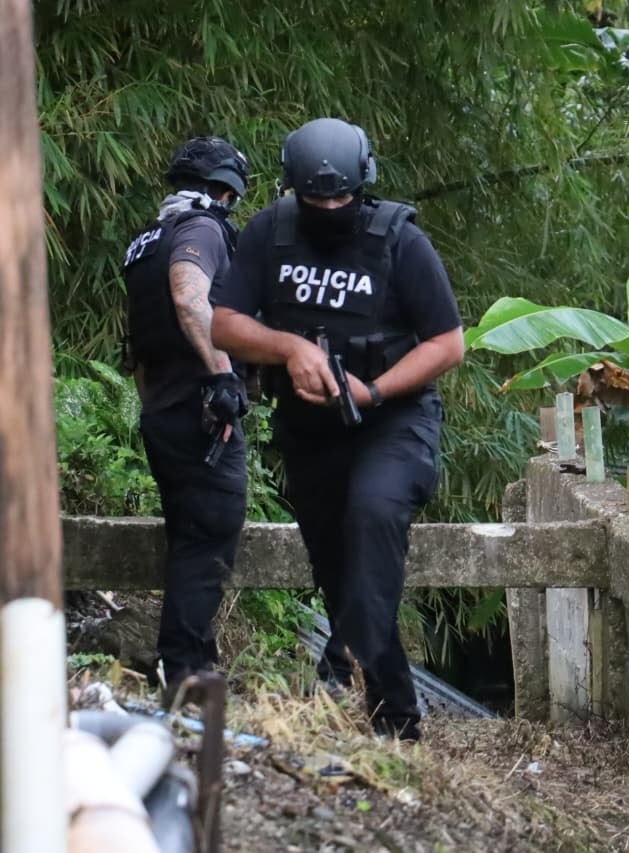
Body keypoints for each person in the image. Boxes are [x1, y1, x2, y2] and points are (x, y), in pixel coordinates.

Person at [210, 117, 464, 740]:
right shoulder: (270, 232)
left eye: (341, 197)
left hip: (394, 420)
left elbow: (448, 343)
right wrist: (291, 348)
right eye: (314, 199)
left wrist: (373, 390)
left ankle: (373, 689)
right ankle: (394, 721)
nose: (329, 208)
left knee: (373, 514)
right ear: (291, 188)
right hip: (310, 431)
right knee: (335, 569)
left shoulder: (400, 241)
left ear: (363, 182)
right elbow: (223, 323)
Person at [121, 136, 253, 702]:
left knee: (189, 539)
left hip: (163, 411)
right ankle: (186, 675)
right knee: (210, 539)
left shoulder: (145, 241)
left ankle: (190, 666)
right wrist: (223, 376)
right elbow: (188, 296)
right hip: (203, 413)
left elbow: (139, 343)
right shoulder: (200, 228)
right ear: (226, 190)